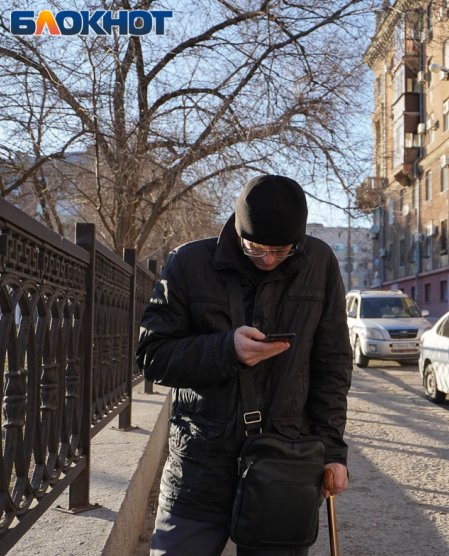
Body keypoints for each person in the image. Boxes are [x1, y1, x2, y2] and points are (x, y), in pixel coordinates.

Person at [137, 175, 352, 556]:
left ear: (298, 240)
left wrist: (333, 452)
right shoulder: (189, 262)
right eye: (256, 248)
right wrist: (226, 350)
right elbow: (152, 356)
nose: (268, 259)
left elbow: (332, 364)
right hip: (199, 468)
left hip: (284, 465)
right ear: (238, 230)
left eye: (281, 250)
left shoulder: (318, 262)